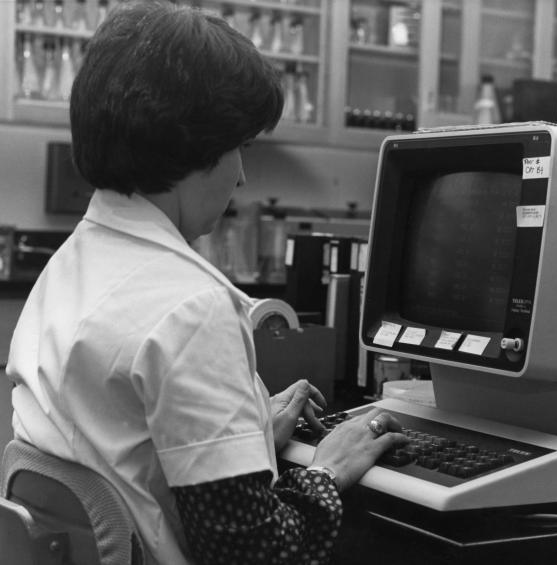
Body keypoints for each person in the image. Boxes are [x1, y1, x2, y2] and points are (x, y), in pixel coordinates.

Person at [5, 2, 407, 564]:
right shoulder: (192, 308)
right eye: (239, 147)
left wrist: (246, 434)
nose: (242, 174)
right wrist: (328, 472)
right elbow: (254, 553)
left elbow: (121, 451)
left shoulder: (71, 263)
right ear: (196, 146)